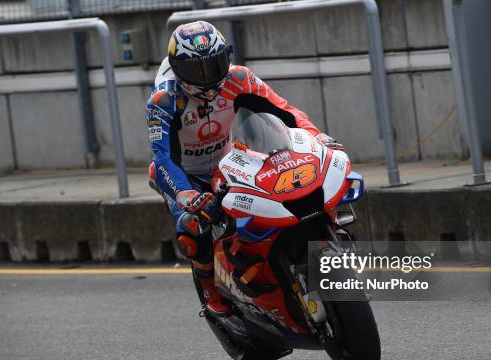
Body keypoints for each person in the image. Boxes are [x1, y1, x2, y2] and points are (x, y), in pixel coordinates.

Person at [146, 21, 343, 316]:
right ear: (177, 68)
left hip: (230, 159)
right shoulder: (163, 101)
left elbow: (285, 111)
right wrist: (186, 195)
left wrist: (316, 136)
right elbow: (162, 159)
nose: (209, 78)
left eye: (216, 65)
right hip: (186, 175)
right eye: (198, 71)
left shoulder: (239, 78)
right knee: (192, 227)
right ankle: (211, 291)